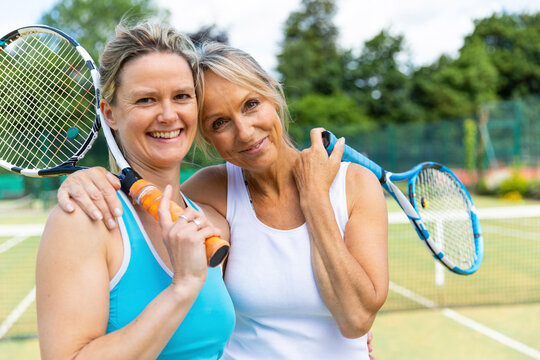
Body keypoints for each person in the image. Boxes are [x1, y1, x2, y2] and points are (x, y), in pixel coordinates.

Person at [57, 41, 388, 359]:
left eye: (251, 104)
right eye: (219, 123)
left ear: (273, 94)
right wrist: (87, 178)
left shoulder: (355, 184)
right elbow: (144, 199)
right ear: (206, 135)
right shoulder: (208, 192)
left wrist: (316, 200)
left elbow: (356, 319)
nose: (244, 132)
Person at [36, 23, 235, 360]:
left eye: (182, 96)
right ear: (109, 113)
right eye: (146, 100)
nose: (168, 115)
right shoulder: (84, 223)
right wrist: (182, 288)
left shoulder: (212, 220)